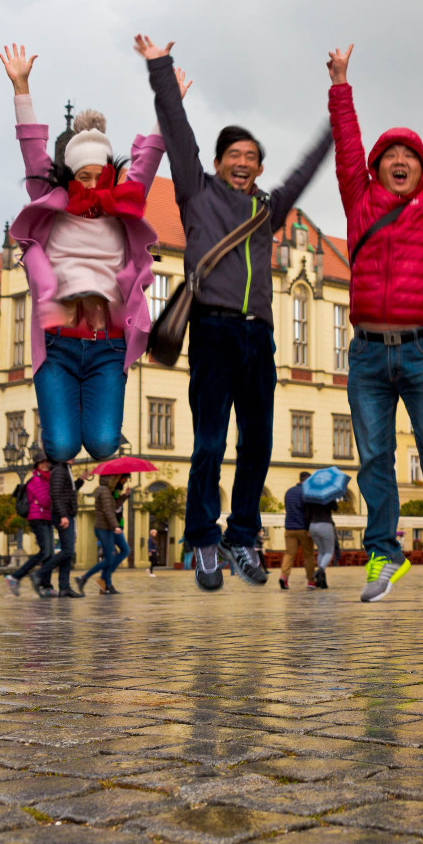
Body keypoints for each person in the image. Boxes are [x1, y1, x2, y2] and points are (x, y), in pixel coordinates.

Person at [142, 35, 331, 593]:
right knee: (208, 443)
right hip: (214, 329)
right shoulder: (197, 196)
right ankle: (202, 539)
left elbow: (305, 171)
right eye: (235, 157)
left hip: (260, 336)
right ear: (220, 163)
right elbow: (178, 134)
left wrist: (338, 112)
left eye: (252, 159)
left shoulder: (268, 212)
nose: (244, 164)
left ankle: (241, 535)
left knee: (259, 444)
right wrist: (160, 69)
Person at [326, 44, 423, 605]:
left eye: (409, 156)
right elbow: (345, 145)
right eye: (389, 154)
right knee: (373, 457)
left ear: (421, 169)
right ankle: (384, 554)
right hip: (366, 353)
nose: (399, 160)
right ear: (376, 166)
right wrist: (341, 82)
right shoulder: (359, 203)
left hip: (421, 350)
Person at [4, 44, 165, 528]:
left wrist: (165, 98)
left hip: (107, 349)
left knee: (100, 443)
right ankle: (56, 461)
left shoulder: (124, 207)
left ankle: (75, 439)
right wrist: (21, 88)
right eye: (84, 175)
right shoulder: (50, 202)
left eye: (101, 174)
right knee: (57, 445)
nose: (94, 184)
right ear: (70, 173)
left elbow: (150, 160)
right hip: (57, 345)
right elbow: (32, 151)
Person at [5, 457, 81, 597]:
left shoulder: (49, 478)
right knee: (45, 552)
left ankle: (46, 586)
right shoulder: (36, 480)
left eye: (47, 462)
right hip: (37, 518)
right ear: (37, 465)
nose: (46, 464)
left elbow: (59, 494)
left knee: (49, 552)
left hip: (46, 517)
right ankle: (16, 577)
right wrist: (58, 498)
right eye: (42, 462)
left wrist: (75, 484)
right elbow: (46, 501)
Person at [78, 472, 130, 594]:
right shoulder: (106, 490)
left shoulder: (111, 490)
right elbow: (108, 510)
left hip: (111, 526)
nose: (125, 481)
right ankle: (90, 578)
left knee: (117, 554)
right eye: (124, 478)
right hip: (108, 527)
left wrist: (125, 496)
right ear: (115, 478)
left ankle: (105, 582)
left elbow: (114, 505)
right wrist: (115, 526)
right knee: (112, 556)